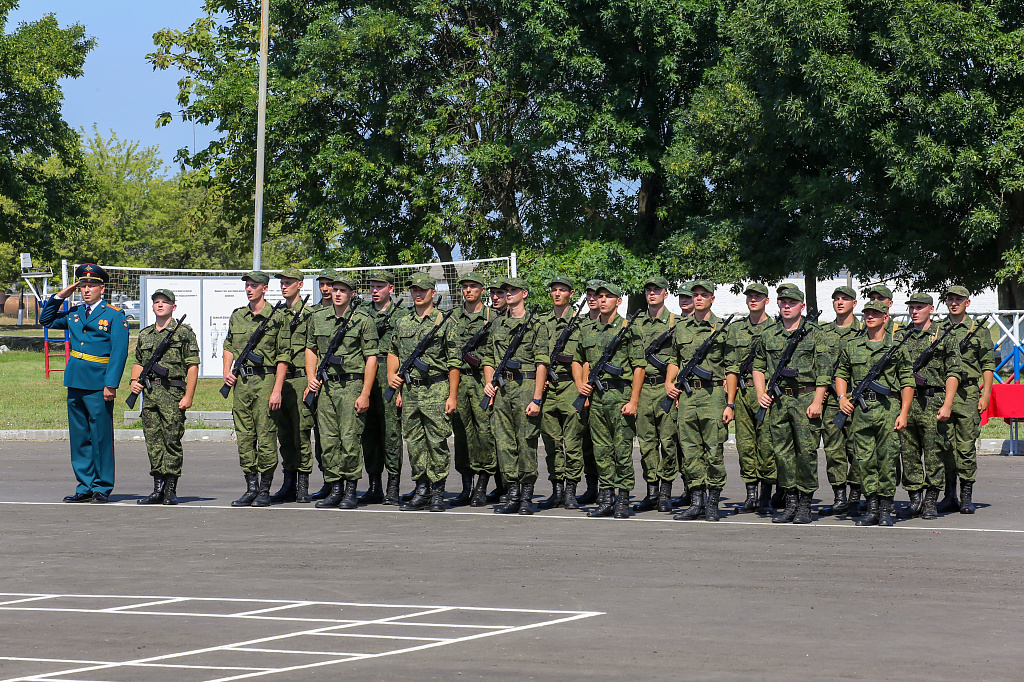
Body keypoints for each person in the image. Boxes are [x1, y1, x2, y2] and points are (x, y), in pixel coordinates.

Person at [40, 263, 130, 503]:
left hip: (99, 383)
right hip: (75, 380)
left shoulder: (114, 315)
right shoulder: (75, 313)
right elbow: (45, 320)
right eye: (83, 286)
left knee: (100, 436)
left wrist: (111, 384)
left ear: (102, 288)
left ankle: (102, 486)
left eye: (91, 285)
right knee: (79, 437)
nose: (86, 290)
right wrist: (60, 296)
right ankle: (85, 485)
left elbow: (119, 353)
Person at [753, 285, 830, 524]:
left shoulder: (814, 333)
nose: (787, 306)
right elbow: (757, 366)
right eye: (783, 302)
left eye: (792, 302)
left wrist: (818, 400)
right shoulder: (769, 334)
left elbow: (824, 372)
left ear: (802, 306)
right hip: (779, 401)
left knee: (806, 453)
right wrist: (760, 393)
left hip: (805, 399)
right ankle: (790, 502)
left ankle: (805, 504)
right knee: (782, 454)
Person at [835, 300, 914, 526]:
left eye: (876, 314)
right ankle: (871, 508)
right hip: (862, 410)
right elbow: (841, 373)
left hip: (888, 408)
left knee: (888, 460)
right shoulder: (852, 346)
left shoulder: (896, 347)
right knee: (865, 460)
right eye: (867, 313)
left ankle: (886, 509)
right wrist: (842, 398)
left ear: (886, 317)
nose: (871, 317)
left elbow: (907, 382)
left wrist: (904, 412)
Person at [305, 273, 379, 509]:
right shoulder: (318, 318)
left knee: (349, 439)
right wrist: (310, 378)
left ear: (352, 294)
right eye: (334, 289)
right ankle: (335, 487)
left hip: (351, 385)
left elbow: (371, 358)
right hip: (326, 386)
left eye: (342, 290)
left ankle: (350, 490)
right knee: (327, 439)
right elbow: (311, 348)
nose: (336, 293)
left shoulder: (363, 320)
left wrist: (365, 393)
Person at [388, 273, 460, 511]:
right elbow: (393, 351)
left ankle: (438, 491)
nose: (417, 294)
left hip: (436, 389)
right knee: (415, 442)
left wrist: (452, 396)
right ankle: (422, 489)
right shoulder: (402, 322)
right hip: (410, 391)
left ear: (433, 292)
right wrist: (393, 379)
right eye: (414, 290)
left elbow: (454, 363)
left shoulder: (445, 322)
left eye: (422, 290)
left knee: (437, 442)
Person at [573, 282, 645, 519]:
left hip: (620, 395)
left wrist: (634, 401)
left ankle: (623, 498)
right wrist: (580, 386)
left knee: (621, 450)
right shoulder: (588, 330)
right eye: (599, 296)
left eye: (608, 297)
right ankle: (606, 498)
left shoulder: (628, 328)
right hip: (597, 399)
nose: (602, 300)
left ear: (618, 301)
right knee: (601, 451)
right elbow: (579, 359)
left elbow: (638, 367)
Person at [483, 277, 550, 514]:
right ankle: (512, 493)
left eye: (512, 290)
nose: (508, 294)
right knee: (504, 443)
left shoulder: (536, 325)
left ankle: (526, 496)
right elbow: (489, 359)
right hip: (502, 390)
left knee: (526, 442)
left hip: (526, 386)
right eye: (505, 291)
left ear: (525, 294)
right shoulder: (498, 324)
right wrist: (488, 384)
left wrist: (537, 398)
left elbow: (542, 363)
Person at [223, 271, 289, 507]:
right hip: (242, 383)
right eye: (247, 286)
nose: (249, 289)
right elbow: (229, 344)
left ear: (264, 288)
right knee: (244, 435)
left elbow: (283, 357)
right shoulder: (238, 316)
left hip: (266, 381)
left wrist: (277, 389)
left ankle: (264, 488)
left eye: (253, 285)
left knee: (266, 435)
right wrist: (226, 370)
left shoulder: (277, 317)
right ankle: (250, 486)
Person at [129, 289, 200, 505]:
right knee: (153, 441)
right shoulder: (145, 334)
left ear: (173, 307)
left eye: (165, 302)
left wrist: (189, 396)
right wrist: (134, 381)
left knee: (171, 440)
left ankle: (171, 488)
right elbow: (139, 361)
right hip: (150, 394)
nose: (160, 305)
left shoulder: (183, 333)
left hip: (173, 392)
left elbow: (192, 366)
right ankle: (157, 488)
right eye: (157, 302)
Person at [666, 280, 729, 521]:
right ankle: (696, 501)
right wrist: (669, 383)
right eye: (696, 295)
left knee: (713, 449)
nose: (699, 298)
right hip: (688, 395)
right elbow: (674, 360)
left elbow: (731, 367)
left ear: (712, 298)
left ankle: (712, 502)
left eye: (704, 295)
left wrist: (729, 402)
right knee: (690, 450)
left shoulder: (721, 328)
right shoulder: (681, 328)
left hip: (712, 395)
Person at [900, 293, 961, 519]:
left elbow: (953, 373)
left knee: (934, 452)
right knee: (908, 453)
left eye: (919, 307)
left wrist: (947, 404)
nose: (914, 311)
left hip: (933, 401)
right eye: (911, 308)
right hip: (907, 402)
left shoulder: (944, 336)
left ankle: (931, 501)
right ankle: (915, 498)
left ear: (931, 309)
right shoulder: (901, 337)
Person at [942, 286, 995, 514]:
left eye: (959, 300)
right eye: (951, 299)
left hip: (968, 394)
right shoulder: (939, 329)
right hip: (942, 395)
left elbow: (988, 364)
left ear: (967, 303)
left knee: (965, 447)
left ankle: (966, 496)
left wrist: (986, 395)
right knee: (945, 446)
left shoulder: (978, 330)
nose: (954, 303)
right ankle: (949, 495)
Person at [724, 282, 773, 514]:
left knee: (767, 445)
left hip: (766, 394)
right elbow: (731, 367)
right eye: (750, 297)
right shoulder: (735, 329)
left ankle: (766, 496)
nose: (753, 300)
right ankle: (750, 495)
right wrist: (730, 403)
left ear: (767, 300)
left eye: (758, 297)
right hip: (743, 393)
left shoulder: (775, 328)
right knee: (745, 446)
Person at [816, 286, 865, 516]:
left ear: (854, 303)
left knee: (857, 448)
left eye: (845, 299)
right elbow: (817, 365)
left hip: (857, 400)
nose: (840, 302)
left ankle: (855, 495)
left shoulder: (865, 330)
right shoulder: (823, 332)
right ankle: (839, 496)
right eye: (836, 299)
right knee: (834, 449)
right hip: (832, 402)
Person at [451, 272, 498, 506]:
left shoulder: (493, 318)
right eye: (465, 287)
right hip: (459, 381)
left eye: (473, 286)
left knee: (484, 433)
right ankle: (466, 486)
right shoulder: (451, 318)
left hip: (482, 381)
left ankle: (482, 485)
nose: (468, 290)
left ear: (482, 290)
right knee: (461, 433)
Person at [634, 276, 681, 513]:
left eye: (657, 290)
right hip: (642, 390)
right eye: (648, 290)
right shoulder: (635, 323)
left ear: (665, 294)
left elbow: (682, 357)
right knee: (647, 444)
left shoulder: (676, 322)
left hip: (666, 388)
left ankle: (666, 492)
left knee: (669, 443)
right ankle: (652, 490)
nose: (652, 294)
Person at [362, 270, 408, 505]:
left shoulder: (402, 315)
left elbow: (404, 352)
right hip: (366, 375)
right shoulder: (361, 313)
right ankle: (374, 485)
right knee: (368, 433)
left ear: (390, 288)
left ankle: (393, 486)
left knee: (391, 433)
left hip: (389, 376)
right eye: (372, 286)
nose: (375, 290)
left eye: (380, 286)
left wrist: (399, 388)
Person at [270, 268, 316, 504]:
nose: (284, 286)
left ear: (300, 285)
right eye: (282, 283)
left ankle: (303, 485)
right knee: (284, 434)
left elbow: (313, 349)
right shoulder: (275, 314)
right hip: (279, 379)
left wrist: (311, 379)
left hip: (299, 379)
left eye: (289, 282)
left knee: (301, 433)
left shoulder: (310, 315)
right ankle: (288, 482)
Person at [539, 276, 585, 509]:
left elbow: (585, 358)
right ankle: (557, 489)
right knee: (551, 443)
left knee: (573, 442)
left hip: (570, 387)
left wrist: (582, 388)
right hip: (548, 389)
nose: (557, 294)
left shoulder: (581, 323)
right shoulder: (541, 322)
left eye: (562, 290)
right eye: (554, 290)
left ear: (571, 294)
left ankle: (571, 490)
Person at [308, 268, 339, 500]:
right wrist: (311, 379)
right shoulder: (313, 314)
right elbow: (310, 349)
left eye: (330, 284)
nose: (326, 289)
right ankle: (328, 479)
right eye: (323, 284)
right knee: (322, 435)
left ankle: (342, 484)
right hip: (319, 381)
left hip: (342, 383)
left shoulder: (348, 313)